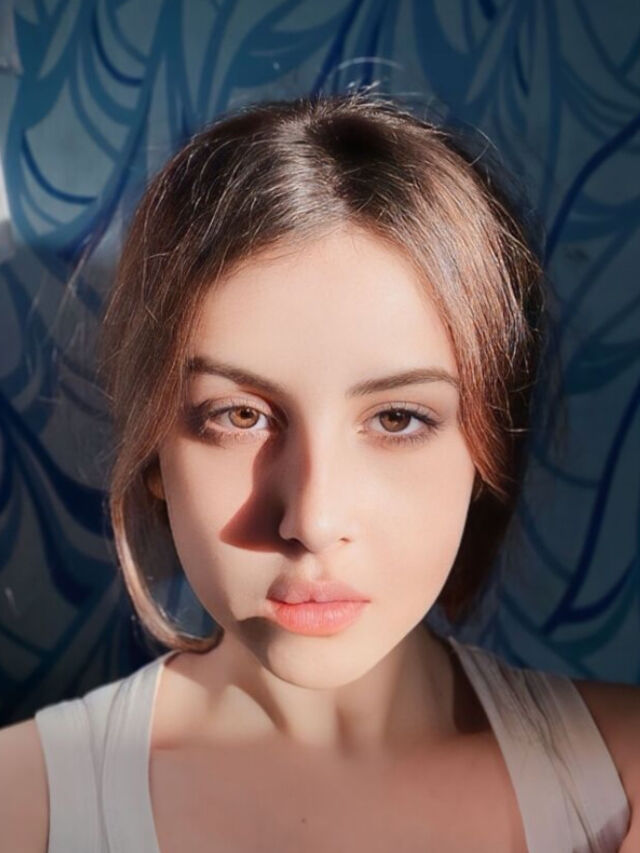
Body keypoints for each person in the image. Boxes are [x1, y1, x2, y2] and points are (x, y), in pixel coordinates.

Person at [0, 90, 638, 853]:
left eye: (397, 418)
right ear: (153, 451)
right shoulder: (19, 808)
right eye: (239, 415)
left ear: (484, 447)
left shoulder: (624, 778)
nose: (312, 518)